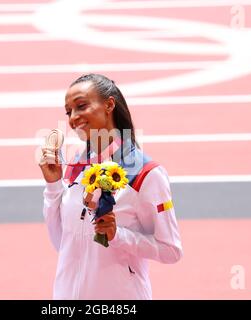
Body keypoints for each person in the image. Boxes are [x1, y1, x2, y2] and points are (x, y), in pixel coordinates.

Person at [39, 73, 183, 300]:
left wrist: (118, 236)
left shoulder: (146, 174)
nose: (73, 118)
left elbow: (171, 250)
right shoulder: (75, 165)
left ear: (109, 105)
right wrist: (53, 185)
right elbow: (62, 242)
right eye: (69, 112)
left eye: (81, 106)